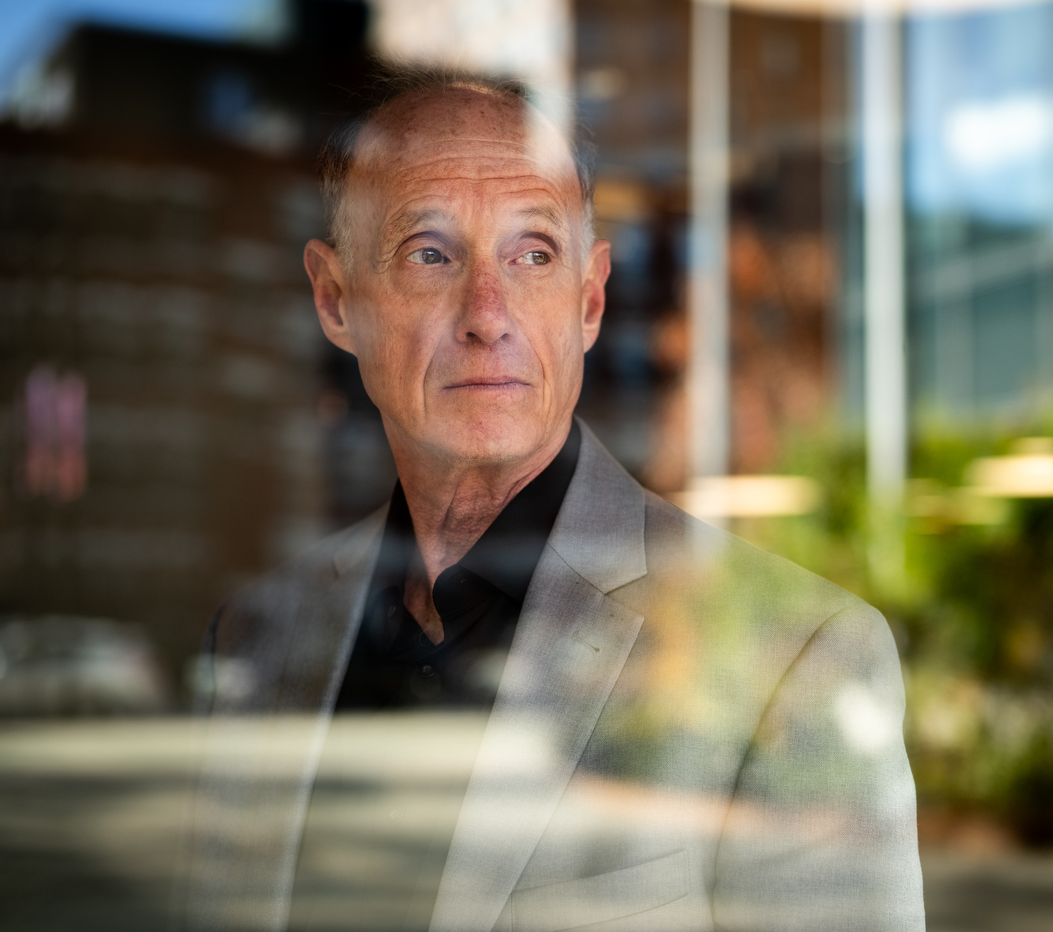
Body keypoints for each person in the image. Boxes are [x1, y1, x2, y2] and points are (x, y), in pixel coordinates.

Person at [185, 69, 924, 932]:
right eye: (430, 252)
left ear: (590, 301)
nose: (487, 313)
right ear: (335, 299)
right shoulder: (258, 635)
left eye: (532, 254)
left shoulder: (800, 658)